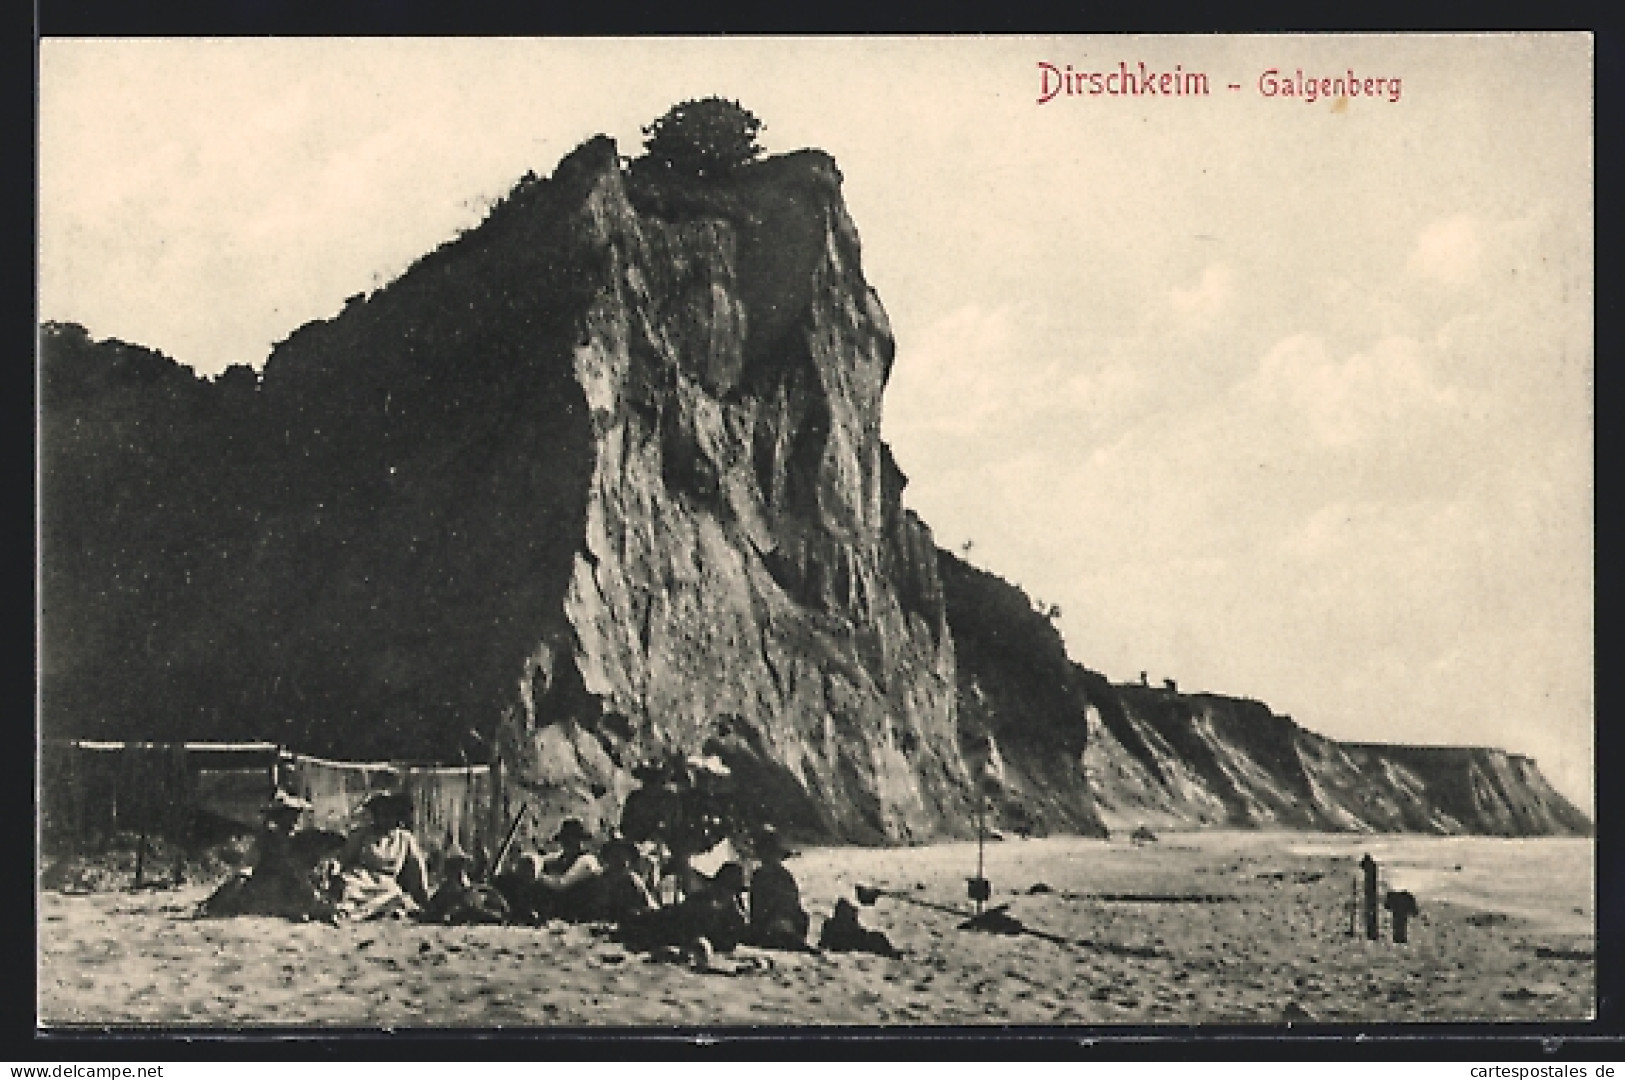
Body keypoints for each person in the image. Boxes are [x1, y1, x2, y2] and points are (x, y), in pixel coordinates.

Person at [201, 790, 332, 921]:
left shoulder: (301, 839)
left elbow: (306, 867)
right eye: (289, 815)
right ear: (280, 817)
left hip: (294, 884)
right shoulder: (267, 839)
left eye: (296, 814)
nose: (294, 819)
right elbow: (249, 864)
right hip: (269, 884)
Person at [322, 792, 430, 921]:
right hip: (360, 878)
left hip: (386, 883)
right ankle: (345, 910)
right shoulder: (361, 834)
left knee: (394, 894)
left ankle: (375, 910)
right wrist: (336, 866)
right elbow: (344, 857)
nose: (385, 818)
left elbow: (417, 868)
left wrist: (423, 896)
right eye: (381, 814)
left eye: (389, 814)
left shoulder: (405, 839)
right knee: (348, 887)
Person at [616, 860, 750, 956]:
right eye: (726, 888)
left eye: (732, 891)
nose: (728, 893)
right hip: (668, 928)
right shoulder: (702, 901)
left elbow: (733, 938)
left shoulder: (732, 910)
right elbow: (677, 918)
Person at [746, 825, 810, 950]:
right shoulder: (782, 876)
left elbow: (758, 910)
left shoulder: (764, 876)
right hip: (781, 926)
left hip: (776, 926)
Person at [530, 818, 606, 922]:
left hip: (579, 912)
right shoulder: (562, 857)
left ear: (580, 841)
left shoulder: (587, 861)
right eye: (565, 839)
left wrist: (537, 876)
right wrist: (531, 862)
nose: (567, 843)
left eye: (572, 839)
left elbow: (561, 884)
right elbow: (540, 860)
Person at [421, 843, 509, 925]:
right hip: (463, 910)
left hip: (470, 908)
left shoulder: (467, 883)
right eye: (454, 864)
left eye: (458, 863)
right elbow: (434, 905)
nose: (457, 868)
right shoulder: (446, 888)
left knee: (470, 911)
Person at [818, 898, 900, 958]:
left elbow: (823, 943)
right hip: (854, 944)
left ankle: (891, 952)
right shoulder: (840, 924)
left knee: (876, 938)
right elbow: (857, 934)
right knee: (876, 938)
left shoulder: (830, 924)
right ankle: (891, 953)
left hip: (852, 944)